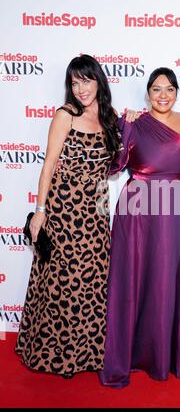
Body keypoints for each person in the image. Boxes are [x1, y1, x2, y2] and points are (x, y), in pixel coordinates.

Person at [16, 54, 122, 378]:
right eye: (75, 82)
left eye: (86, 80)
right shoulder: (65, 116)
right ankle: (56, 355)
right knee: (63, 283)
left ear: (98, 81)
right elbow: (48, 165)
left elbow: (116, 163)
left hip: (96, 213)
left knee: (91, 283)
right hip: (63, 212)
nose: (81, 88)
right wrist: (40, 211)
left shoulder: (110, 118)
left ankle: (89, 354)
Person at [99, 67, 180, 388]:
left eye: (169, 89)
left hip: (179, 206)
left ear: (176, 92)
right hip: (140, 206)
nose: (162, 95)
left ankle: (169, 351)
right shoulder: (136, 122)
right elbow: (115, 165)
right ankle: (135, 351)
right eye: (156, 89)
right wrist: (122, 127)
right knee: (137, 276)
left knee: (173, 276)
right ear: (147, 94)